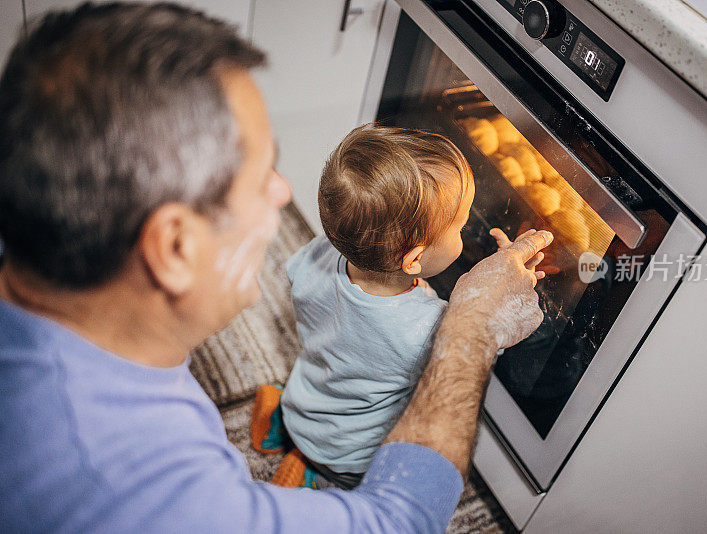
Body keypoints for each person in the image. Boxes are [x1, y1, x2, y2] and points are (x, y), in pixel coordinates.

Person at [0, 3, 552, 533]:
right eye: (261, 174)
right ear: (175, 248)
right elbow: (397, 521)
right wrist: (471, 326)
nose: (284, 192)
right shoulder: (134, 490)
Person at [253, 125, 537, 490]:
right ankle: (309, 472)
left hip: (305, 399)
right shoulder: (427, 327)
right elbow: (483, 336)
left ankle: (283, 426)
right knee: (364, 474)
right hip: (349, 456)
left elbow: (295, 278)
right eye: (462, 226)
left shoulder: (322, 253)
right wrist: (507, 280)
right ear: (414, 260)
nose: (466, 232)